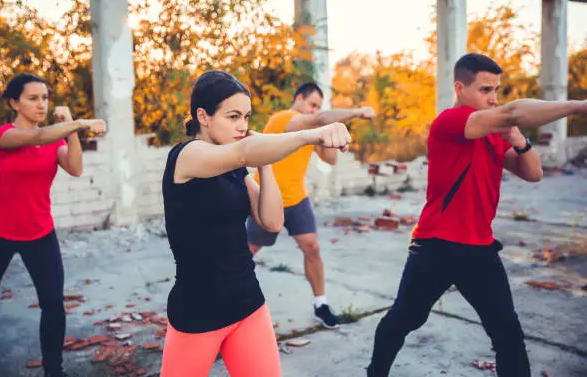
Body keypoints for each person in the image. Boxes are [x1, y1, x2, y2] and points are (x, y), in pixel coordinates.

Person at [366, 53, 587, 377]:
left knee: (507, 333)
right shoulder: (450, 121)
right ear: (460, 88)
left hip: (480, 249)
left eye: (496, 89)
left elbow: (534, 173)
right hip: (436, 245)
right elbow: (511, 111)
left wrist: (519, 141)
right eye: (485, 89)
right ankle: (376, 372)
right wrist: (577, 106)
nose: (493, 98)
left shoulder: (494, 134)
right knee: (405, 319)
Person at [160, 70, 352, 377]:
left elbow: (273, 221)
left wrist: (265, 161)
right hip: (198, 310)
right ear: (203, 116)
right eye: (233, 116)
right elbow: (243, 151)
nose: (243, 126)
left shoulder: (237, 168)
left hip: (247, 304)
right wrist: (314, 134)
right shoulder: (187, 156)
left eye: (247, 117)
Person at [0, 73, 106, 377]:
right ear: (13, 103)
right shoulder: (2, 136)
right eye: (33, 98)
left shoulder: (55, 139)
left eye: (45, 98)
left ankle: (53, 370)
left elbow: (74, 167)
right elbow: (37, 136)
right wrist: (82, 124)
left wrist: (72, 128)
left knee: (53, 304)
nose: (41, 104)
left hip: (39, 233)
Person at [246, 82, 376, 329]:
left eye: (317, 106)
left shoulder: (312, 131)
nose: (314, 110)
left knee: (312, 246)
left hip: (296, 198)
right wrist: (357, 112)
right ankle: (224, 306)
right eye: (312, 104)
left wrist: (333, 137)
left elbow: (331, 159)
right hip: (265, 197)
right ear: (298, 99)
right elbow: (321, 119)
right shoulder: (284, 119)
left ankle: (321, 303)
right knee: (245, 254)